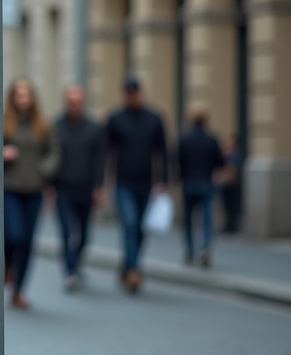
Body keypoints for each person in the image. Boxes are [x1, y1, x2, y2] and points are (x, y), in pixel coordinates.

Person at [105, 75, 168, 294]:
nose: (132, 96)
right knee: (129, 224)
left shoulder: (154, 118)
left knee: (141, 228)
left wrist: (164, 180)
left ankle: (128, 263)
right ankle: (133, 270)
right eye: (128, 92)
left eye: (135, 92)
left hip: (146, 182)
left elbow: (162, 151)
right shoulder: (116, 119)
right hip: (123, 181)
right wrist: (104, 180)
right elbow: (106, 151)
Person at [2, 79, 60, 309]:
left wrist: (44, 168)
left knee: (27, 241)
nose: (22, 99)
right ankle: (5, 266)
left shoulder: (42, 125)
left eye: (26, 95)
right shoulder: (4, 122)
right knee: (14, 234)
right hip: (9, 187)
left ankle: (19, 290)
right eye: (18, 95)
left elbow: (54, 152)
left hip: (34, 188)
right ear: (12, 98)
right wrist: (1, 152)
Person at [51, 84, 106, 291]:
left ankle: (76, 263)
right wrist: (49, 185)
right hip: (63, 188)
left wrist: (99, 187)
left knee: (83, 233)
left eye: (78, 102)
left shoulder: (94, 128)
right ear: (66, 103)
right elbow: (51, 157)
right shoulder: (56, 127)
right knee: (66, 230)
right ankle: (70, 270)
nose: (75, 106)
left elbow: (100, 159)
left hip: (86, 187)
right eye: (71, 102)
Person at [177, 104, 226, 267]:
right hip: (205, 182)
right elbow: (219, 161)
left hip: (188, 182)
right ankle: (205, 246)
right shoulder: (211, 139)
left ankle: (190, 248)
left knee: (189, 219)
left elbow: (177, 160)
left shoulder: (184, 138)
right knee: (206, 218)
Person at [218, 133, 243, 234]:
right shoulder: (225, 154)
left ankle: (232, 224)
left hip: (233, 185)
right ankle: (228, 224)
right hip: (225, 185)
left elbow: (234, 169)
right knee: (226, 206)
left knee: (233, 206)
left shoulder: (235, 155)